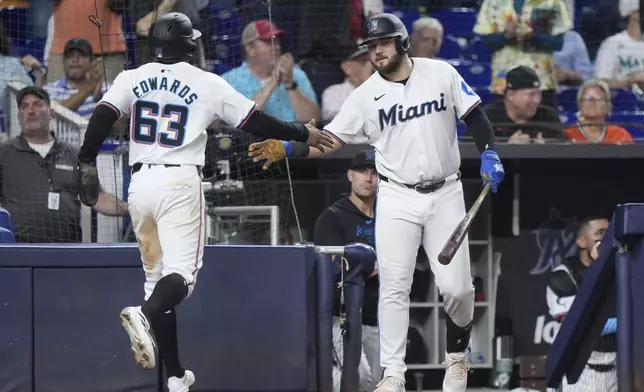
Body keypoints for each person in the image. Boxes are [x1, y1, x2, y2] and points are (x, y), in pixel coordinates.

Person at [74, 12, 333, 392]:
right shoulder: (206, 81)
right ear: (189, 46)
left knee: (156, 280)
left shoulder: (131, 77)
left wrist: (85, 161)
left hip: (140, 182)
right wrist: (299, 132)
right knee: (183, 276)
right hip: (179, 181)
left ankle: (176, 375)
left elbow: (101, 116)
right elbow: (255, 123)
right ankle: (143, 316)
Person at [248, 13, 505, 392]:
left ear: (401, 42)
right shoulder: (365, 95)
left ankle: (457, 357)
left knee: (457, 289)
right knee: (394, 285)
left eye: (383, 43)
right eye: (371, 46)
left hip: (446, 191)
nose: (377, 51)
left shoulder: (440, 73)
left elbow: (476, 117)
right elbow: (327, 139)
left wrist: (489, 153)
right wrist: (288, 147)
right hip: (397, 195)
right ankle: (393, 373)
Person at [314, 150, 380, 392]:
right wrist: (377, 266)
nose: (369, 178)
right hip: (342, 316)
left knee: (377, 383)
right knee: (359, 377)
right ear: (350, 175)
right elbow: (334, 270)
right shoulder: (333, 217)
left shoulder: (390, 216)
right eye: (363, 171)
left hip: (379, 315)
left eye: (374, 173)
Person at [546, 216, 617, 392]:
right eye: (601, 234)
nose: (607, 240)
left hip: (616, 367)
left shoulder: (619, 270)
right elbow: (575, 324)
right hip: (581, 371)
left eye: (610, 234)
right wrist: (622, 323)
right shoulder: (563, 276)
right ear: (582, 241)